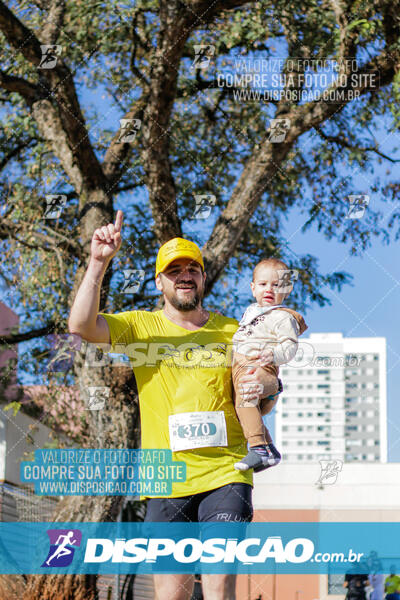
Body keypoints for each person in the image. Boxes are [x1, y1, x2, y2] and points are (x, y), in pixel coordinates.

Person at [68, 211, 273, 600]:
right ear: (160, 281)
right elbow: (81, 326)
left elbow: (262, 396)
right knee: (171, 593)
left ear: (202, 278)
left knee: (217, 585)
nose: (184, 275)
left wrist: (269, 385)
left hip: (225, 474)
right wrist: (98, 262)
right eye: (173, 269)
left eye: (192, 268)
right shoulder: (140, 328)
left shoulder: (235, 331)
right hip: (165, 479)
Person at [232, 258, 308, 472]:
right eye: (263, 284)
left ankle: (258, 448)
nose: (269, 289)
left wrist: (273, 355)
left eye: (276, 285)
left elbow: (290, 347)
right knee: (246, 411)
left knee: (245, 400)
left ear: (287, 289)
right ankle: (270, 449)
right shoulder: (252, 312)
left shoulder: (283, 318)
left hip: (259, 366)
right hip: (241, 363)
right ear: (253, 288)